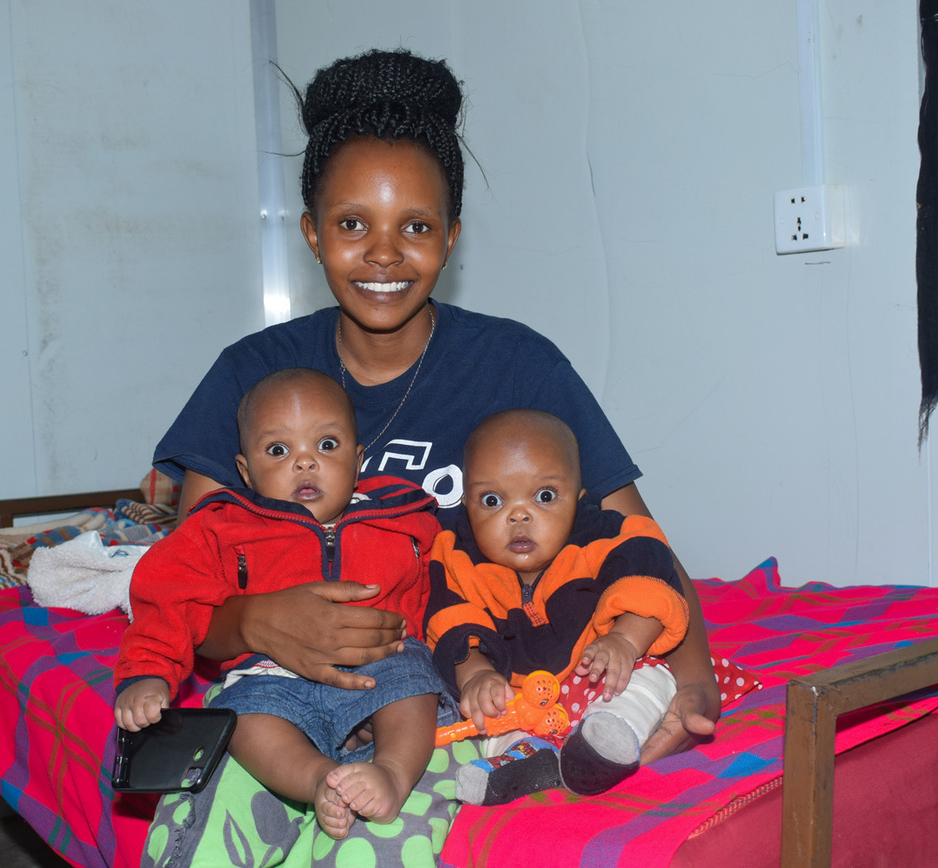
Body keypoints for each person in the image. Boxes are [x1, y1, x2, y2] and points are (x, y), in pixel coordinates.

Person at [147, 47, 720, 865]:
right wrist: (257, 620)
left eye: (416, 226)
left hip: (445, 686)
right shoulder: (254, 376)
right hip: (279, 687)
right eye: (352, 225)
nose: (385, 255)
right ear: (311, 233)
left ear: (450, 237)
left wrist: (691, 682)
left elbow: (638, 543)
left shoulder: (518, 367)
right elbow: (190, 583)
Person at [116, 368, 453, 839]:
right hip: (270, 674)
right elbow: (167, 592)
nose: (305, 463)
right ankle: (317, 779)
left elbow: (451, 583)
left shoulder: (403, 516)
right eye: (279, 450)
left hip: (379, 661)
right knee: (240, 717)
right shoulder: (222, 527)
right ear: (246, 470)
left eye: (327, 446)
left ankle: (392, 773)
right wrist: (149, 671)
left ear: (358, 460)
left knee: (415, 681)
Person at [425, 409, 689, 805]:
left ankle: (610, 737)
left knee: (652, 678)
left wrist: (624, 640)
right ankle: (528, 760)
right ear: (467, 507)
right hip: (520, 695)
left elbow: (649, 587)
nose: (518, 515)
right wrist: (476, 673)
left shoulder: (611, 537)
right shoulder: (458, 557)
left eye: (544, 496)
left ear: (579, 499)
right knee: (486, 717)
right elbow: (452, 622)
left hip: (600, 676)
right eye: (492, 500)